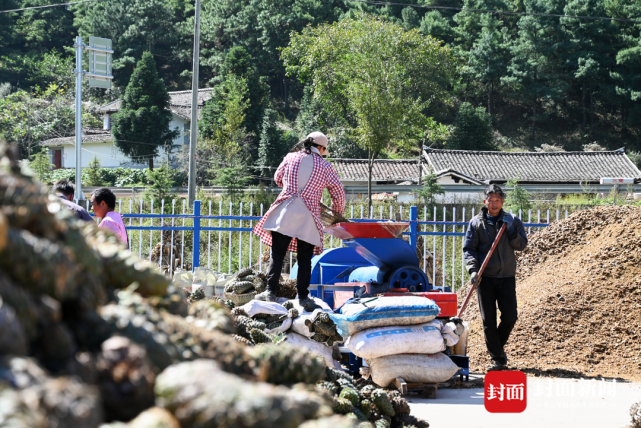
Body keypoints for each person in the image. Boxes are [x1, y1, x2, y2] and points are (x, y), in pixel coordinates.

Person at [253, 131, 346, 311]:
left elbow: (277, 178)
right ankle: (303, 297)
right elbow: (339, 194)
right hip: (309, 216)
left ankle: (270, 292)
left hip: (285, 211)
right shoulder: (326, 167)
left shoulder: (290, 157)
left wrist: (291, 187)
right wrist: (336, 215)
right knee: (305, 259)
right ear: (321, 148)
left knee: (277, 253)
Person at [463, 184, 528, 371]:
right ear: (485, 201)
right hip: (485, 277)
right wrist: (473, 270)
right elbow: (469, 249)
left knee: (510, 316)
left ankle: (496, 349)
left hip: (507, 275)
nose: (494, 203)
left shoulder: (512, 220)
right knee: (488, 320)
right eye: (490, 200)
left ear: (502, 201)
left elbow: (522, 244)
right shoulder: (476, 223)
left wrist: (510, 231)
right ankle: (498, 359)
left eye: (497, 200)